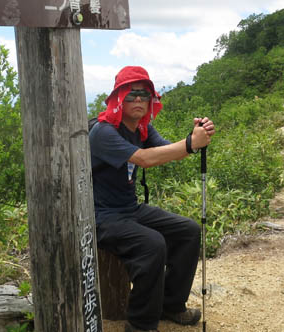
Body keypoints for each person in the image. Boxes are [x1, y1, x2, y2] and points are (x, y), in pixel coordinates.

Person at [89, 66, 215, 332]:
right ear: (119, 99)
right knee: (152, 244)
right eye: (132, 95)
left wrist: (195, 138)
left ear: (151, 101)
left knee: (188, 231)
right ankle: (140, 325)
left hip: (129, 209)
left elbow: (167, 150)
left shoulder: (142, 128)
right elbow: (145, 160)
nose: (138, 101)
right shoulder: (103, 132)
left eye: (144, 95)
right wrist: (191, 144)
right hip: (101, 216)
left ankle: (170, 304)